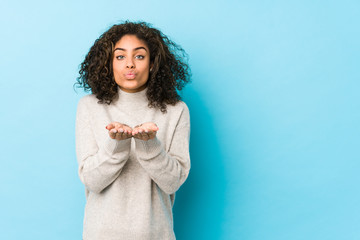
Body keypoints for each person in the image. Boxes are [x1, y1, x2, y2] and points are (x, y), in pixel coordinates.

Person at [74, 21, 191, 240]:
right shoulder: (89, 106)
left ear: (153, 63)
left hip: (156, 234)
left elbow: (173, 182)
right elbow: (91, 180)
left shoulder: (176, 111)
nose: (130, 64)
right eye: (120, 56)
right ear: (108, 63)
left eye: (139, 56)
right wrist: (118, 145)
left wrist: (149, 145)